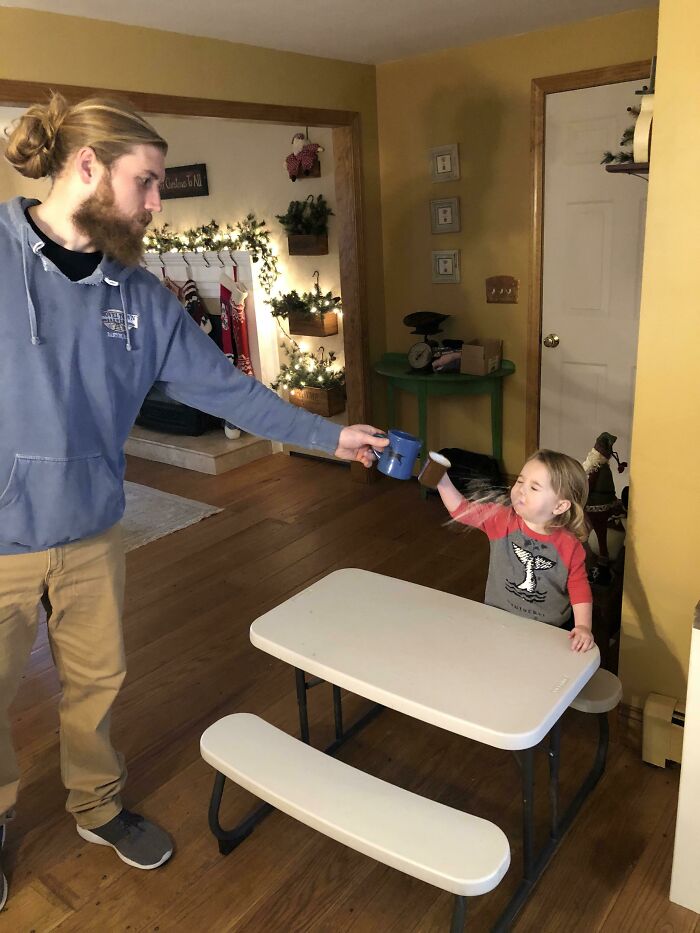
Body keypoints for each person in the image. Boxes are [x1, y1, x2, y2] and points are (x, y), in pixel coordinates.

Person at [0, 93, 389, 908]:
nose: (153, 205)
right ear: (86, 167)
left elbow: (227, 390)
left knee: (97, 682)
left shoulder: (138, 297)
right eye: (145, 183)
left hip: (94, 528)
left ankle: (97, 805)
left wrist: (329, 436)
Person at [436, 449, 595, 651]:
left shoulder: (569, 545)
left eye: (534, 487)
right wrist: (441, 479)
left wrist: (583, 627)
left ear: (560, 506)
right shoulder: (501, 519)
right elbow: (462, 510)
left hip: (550, 632)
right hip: (497, 621)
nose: (521, 490)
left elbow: (579, 588)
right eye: (520, 481)